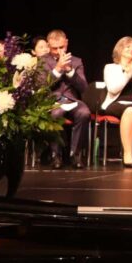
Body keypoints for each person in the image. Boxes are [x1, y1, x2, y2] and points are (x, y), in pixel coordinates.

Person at [41, 30, 91, 169]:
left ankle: (75, 155)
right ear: (48, 46)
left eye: (61, 47)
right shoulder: (42, 61)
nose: (59, 51)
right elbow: (41, 87)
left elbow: (83, 87)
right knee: (55, 114)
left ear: (67, 43)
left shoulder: (76, 61)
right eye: (54, 48)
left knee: (84, 113)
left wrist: (69, 70)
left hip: (72, 100)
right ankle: (55, 156)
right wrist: (57, 69)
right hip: (52, 101)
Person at [101, 36, 132, 168]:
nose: (131, 49)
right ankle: (127, 153)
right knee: (129, 110)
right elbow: (113, 89)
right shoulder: (110, 68)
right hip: (116, 102)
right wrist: (128, 72)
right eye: (127, 47)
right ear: (119, 50)